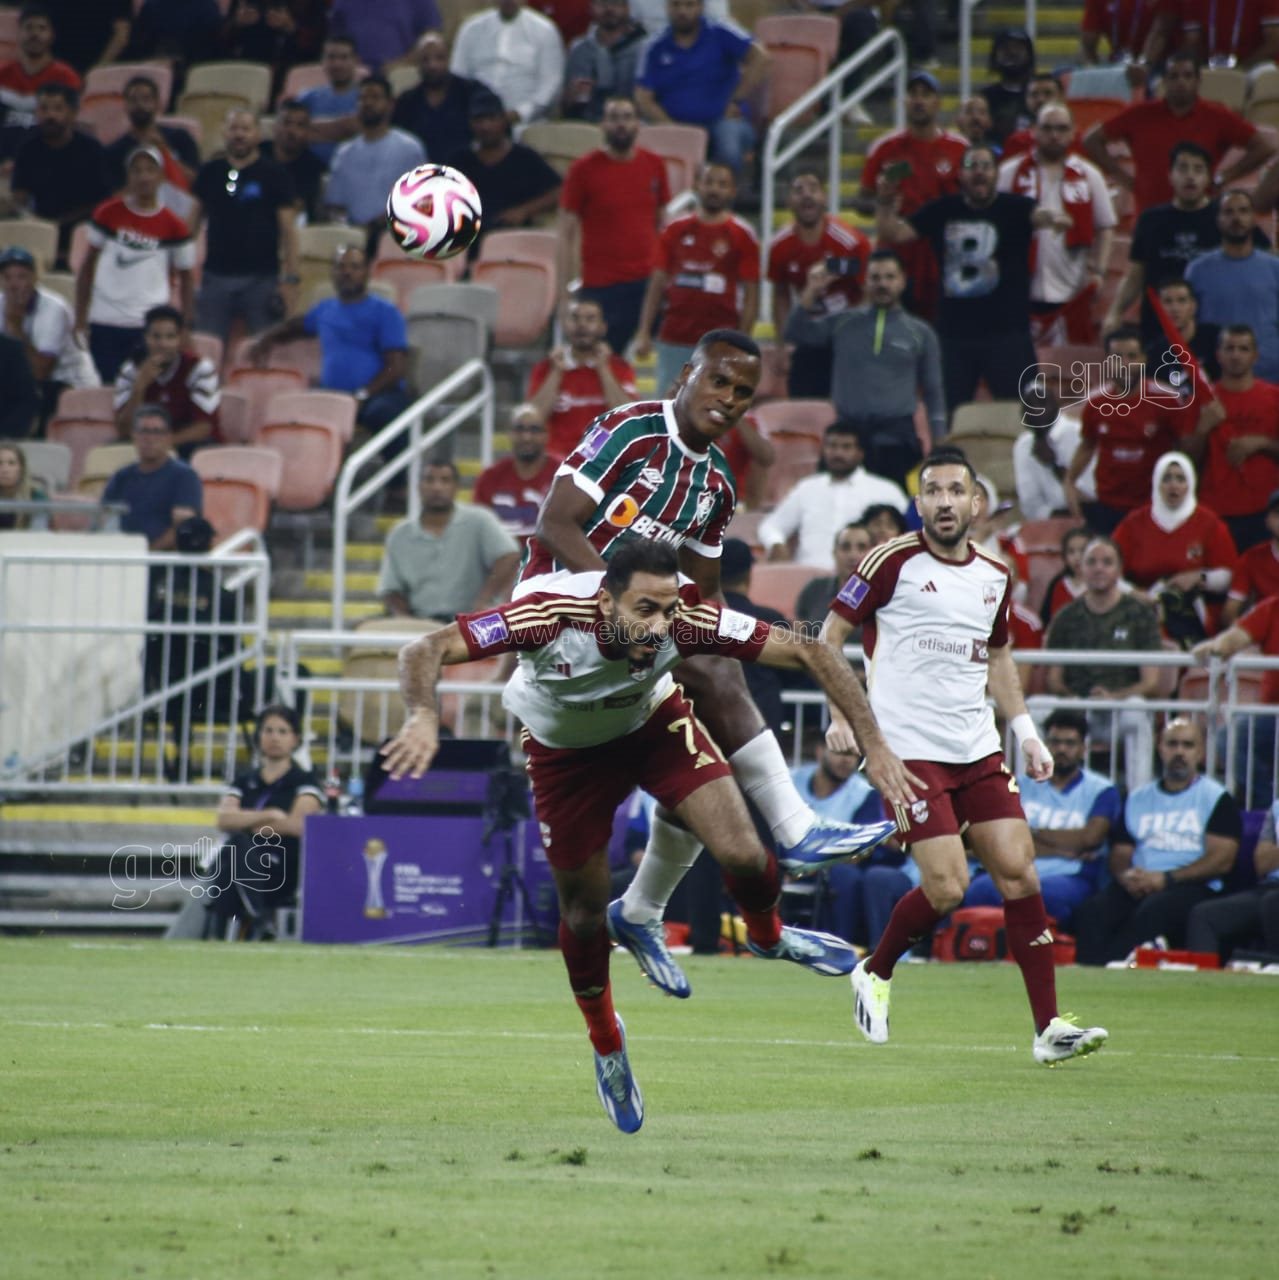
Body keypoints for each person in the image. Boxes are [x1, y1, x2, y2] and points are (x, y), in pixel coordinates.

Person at [381, 537, 901, 1131]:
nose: (658, 626)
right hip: (564, 757)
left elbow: (809, 648)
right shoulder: (548, 616)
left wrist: (876, 744)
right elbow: (425, 648)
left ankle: (769, 936)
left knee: (745, 855)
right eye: (644, 610)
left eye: (668, 609)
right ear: (606, 602)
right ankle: (607, 1042)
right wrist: (423, 715)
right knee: (583, 916)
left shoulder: (687, 621)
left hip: (651, 726)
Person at [527, 331, 902, 998]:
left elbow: (703, 596)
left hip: (635, 630)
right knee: (704, 663)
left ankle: (644, 910)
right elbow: (555, 525)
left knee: (713, 676)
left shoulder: (717, 484)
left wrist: (718, 634)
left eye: (742, 392)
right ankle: (792, 826)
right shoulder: (630, 431)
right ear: (684, 378)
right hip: (561, 619)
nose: (727, 399)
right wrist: (625, 606)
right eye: (718, 381)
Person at [821, 449, 1109, 1064]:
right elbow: (829, 637)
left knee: (1019, 872)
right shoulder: (889, 561)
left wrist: (1026, 732)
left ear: (977, 503)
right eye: (933, 491)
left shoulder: (994, 575)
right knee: (948, 886)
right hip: (907, 753)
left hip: (977, 748)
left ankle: (1048, 1028)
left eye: (956, 490)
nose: (945, 501)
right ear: (919, 503)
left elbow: (999, 657)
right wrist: (841, 715)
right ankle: (874, 969)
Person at [875, 143, 1063, 417]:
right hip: (954, 334)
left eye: (986, 166)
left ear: (996, 174)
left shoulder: (1017, 207)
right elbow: (895, 233)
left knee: (1024, 413)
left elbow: (1040, 216)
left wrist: (1054, 219)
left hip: (1007, 332)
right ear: (960, 175)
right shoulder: (942, 209)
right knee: (946, 414)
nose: (979, 172)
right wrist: (884, 201)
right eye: (971, 166)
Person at [1074, 718, 1239, 965]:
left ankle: (1114, 969)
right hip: (1140, 881)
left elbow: (1221, 860)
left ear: (1200, 752)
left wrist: (1167, 879)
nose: (1179, 752)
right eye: (1172, 744)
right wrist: (1127, 877)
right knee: (1093, 911)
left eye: (1188, 745)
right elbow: (1120, 852)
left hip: (1191, 884)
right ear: (1160, 748)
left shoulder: (1217, 798)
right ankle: (1087, 974)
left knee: (1154, 910)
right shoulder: (1138, 797)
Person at [784, 249, 943, 486]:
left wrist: (939, 442)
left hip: (898, 440)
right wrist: (812, 289)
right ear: (865, 281)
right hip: (847, 438)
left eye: (890, 277)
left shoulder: (921, 333)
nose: (882, 284)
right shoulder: (843, 323)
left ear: (902, 281)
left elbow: (933, 391)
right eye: (875, 277)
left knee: (897, 506)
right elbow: (795, 333)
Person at [962, 708, 1119, 932]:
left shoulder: (1102, 790)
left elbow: (1089, 838)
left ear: (1083, 749)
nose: (1061, 749)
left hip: (1069, 875)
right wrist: (1061, 846)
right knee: (979, 890)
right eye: (1055, 742)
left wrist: (1026, 834)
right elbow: (993, 837)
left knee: (1045, 897)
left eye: (1070, 743)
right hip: (1013, 869)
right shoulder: (1017, 784)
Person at [1082, 52, 1274, 216]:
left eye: (1187, 76)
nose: (1181, 82)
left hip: (1201, 215)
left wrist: (1225, 177)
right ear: (1164, 81)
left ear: (1198, 81)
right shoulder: (1139, 114)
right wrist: (1122, 177)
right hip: (1150, 214)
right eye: (1173, 76)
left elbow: (1264, 148)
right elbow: (1091, 141)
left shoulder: (1217, 116)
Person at [249, 245, 410, 435]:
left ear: (367, 272)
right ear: (332, 273)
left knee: (382, 413)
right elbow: (295, 327)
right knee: (294, 409)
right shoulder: (325, 309)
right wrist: (266, 339)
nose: (347, 272)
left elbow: (396, 368)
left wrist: (362, 395)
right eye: (341, 267)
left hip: (376, 396)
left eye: (355, 267)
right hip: (332, 395)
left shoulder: (386, 312)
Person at [1045, 536, 1162, 788]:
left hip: (1120, 710)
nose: (1099, 568)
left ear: (1119, 570)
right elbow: (1054, 679)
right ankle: (1031, 793)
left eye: (1107, 562)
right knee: (1035, 708)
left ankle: (1139, 796)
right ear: (1081, 568)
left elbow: (1151, 682)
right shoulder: (1066, 616)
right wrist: (1076, 699)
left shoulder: (1139, 614)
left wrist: (1113, 698)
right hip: (1076, 708)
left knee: (1137, 710)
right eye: (1092, 562)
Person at [557, 94, 668, 356]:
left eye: (627, 117)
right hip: (600, 287)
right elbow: (565, 235)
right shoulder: (583, 170)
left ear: (638, 124)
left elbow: (662, 226)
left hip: (646, 285)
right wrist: (563, 297)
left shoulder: (654, 165)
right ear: (603, 125)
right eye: (614, 118)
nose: (621, 124)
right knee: (602, 362)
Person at [634, 161, 759, 394]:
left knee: (714, 402)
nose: (714, 189)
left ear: (733, 191)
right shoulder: (674, 229)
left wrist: (742, 341)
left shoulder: (743, 234)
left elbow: (752, 294)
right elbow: (657, 284)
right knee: (668, 404)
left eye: (722, 184)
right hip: (674, 336)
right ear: (696, 186)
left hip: (720, 342)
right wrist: (644, 331)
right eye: (709, 182)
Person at [997, 103, 1117, 345]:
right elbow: (995, 221)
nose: (1054, 135)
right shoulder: (1010, 172)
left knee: (1069, 363)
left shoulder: (1089, 174)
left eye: (1062, 129)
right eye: (1047, 128)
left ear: (1073, 132)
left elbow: (1105, 226)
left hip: (1072, 290)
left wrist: (1098, 270)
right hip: (1020, 288)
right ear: (1034, 131)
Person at [75, 146, 196, 384]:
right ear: (128, 176)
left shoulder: (175, 225)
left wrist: (186, 325)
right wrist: (80, 318)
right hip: (105, 319)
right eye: (137, 170)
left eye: (150, 170)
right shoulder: (107, 214)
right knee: (107, 388)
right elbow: (87, 266)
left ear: (161, 177)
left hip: (149, 324)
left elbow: (187, 278)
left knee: (146, 387)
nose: (144, 177)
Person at [1103, 142, 1245, 343]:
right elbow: (1136, 273)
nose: (1190, 176)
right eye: (1183, 168)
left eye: (1198, 169)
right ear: (1170, 175)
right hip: (1157, 324)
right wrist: (1115, 311)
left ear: (1208, 177)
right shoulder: (1150, 219)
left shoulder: (1225, 218)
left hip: (1211, 325)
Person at [855, 70, 967, 323]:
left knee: (942, 327)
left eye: (926, 94)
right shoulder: (885, 148)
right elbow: (861, 201)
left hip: (943, 253)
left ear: (938, 102)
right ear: (904, 102)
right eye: (913, 94)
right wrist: (884, 201)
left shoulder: (959, 148)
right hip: (898, 253)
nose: (919, 100)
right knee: (893, 327)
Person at [210, 702, 324, 941]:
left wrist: (246, 824)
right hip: (243, 860)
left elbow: (296, 825)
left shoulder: (304, 781)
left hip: (281, 863)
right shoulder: (244, 781)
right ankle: (258, 917)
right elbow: (224, 819)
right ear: (258, 736)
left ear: (295, 739)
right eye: (268, 730)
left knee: (235, 847)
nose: (274, 737)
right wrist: (269, 814)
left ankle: (227, 929)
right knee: (236, 850)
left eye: (282, 731)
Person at [1063, 325, 1189, 535]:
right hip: (1108, 505)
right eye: (1117, 357)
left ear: (1144, 359)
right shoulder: (1096, 402)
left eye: (1132, 356)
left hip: (1153, 505)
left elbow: (1184, 449)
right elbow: (1088, 444)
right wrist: (1070, 480)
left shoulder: (1167, 399)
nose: (1124, 364)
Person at [189, 110, 299, 344]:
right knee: (206, 346)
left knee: (264, 347)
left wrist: (290, 279)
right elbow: (191, 226)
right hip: (215, 277)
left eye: (245, 129)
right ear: (224, 133)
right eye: (234, 128)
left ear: (257, 133)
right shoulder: (210, 172)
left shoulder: (275, 174)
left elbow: (289, 232)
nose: (239, 135)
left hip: (262, 279)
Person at [633, 0, 769, 178]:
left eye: (689, 5)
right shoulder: (653, 46)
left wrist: (737, 99)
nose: (682, 11)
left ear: (701, 7)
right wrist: (671, 128)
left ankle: (726, 193)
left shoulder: (721, 31)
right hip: (673, 122)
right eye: (676, 5)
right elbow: (643, 97)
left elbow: (761, 57)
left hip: (723, 120)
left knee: (729, 146)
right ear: (667, 7)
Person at [1112, 452, 1237, 644]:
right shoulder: (1134, 523)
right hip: (1143, 608)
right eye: (1166, 478)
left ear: (1191, 483)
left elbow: (1229, 575)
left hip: (1192, 613)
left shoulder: (1209, 523)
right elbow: (1109, 569)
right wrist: (1133, 594)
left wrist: (1199, 577)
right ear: (1156, 483)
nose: (1173, 485)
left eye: (1180, 479)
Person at [768, 170, 872, 400]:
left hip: (846, 334)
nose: (807, 195)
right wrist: (781, 345)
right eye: (799, 190)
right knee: (803, 402)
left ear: (824, 198)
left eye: (813, 189)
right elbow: (781, 295)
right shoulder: (780, 245)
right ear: (789, 202)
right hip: (807, 333)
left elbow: (868, 292)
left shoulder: (851, 242)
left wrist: (857, 334)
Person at [379, 458, 521, 622]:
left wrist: (484, 601)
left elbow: (510, 556)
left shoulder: (479, 520)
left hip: (469, 622)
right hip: (421, 623)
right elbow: (390, 590)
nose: (437, 487)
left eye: (445, 480)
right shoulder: (400, 534)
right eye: (429, 480)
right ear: (418, 487)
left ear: (456, 487)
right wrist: (405, 620)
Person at [759, 420, 909, 569]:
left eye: (846, 447)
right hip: (809, 573)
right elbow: (771, 526)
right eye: (832, 446)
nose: (838, 453)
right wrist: (776, 544)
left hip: (862, 575)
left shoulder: (886, 490)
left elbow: (908, 534)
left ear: (860, 453)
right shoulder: (808, 487)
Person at [1183, 324, 1279, 551]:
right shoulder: (1202, 400)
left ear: (1255, 355)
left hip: (1265, 511)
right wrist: (1203, 428)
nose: (1236, 355)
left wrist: (1261, 443)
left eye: (1243, 349)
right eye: (1229, 348)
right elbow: (1185, 460)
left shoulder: (1274, 397)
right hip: (1215, 510)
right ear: (1218, 355)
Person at [1191, 593, 1279, 807]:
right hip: (1272, 716)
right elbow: (1235, 638)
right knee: (1231, 737)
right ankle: (1266, 809)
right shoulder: (1273, 608)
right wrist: (1218, 646)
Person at [7, 84, 110, 265]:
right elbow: (20, 196)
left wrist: (62, 223)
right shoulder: (28, 149)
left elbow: (103, 202)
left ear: (72, 113)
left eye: (57, 109)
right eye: (44, 109)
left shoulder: (91, 149)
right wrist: (23, 213)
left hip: (83, 229)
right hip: (41, 228)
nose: (50, 115)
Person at [323, 74, 427, 251]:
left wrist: (377, 226)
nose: (368, 103)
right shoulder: (344, 153)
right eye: (363, 98)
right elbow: (335, 205)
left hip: (397, 238)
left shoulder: (410, 148)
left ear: (390, 104)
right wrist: (349, 229)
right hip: (352, 242)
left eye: (375, 97)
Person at [1, 243, 99, 428]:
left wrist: (15, 327)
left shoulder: (54, 309)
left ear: (35, 278)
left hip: (70, 383)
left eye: (21, 276)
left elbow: (40, 371)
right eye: (7, 277)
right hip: (31, 384)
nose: (14, 285)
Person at [444, 89, 562, 244]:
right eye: (479, 120)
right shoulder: (460, 160)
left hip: (513, 240)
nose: (486, 126)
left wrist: (525, 211)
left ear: (503, 120)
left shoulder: (524, 158)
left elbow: (560, 190)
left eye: (491, 119)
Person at [1185, 190, 1279, 383]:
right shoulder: (1197, 270)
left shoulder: (1274, 267)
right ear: (1218, 219)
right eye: (1229, 212)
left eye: (1243, 211)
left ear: (1254, 218)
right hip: (1216, 377)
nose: (1236, 218)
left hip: (1271, 376)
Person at [526, 295, 637, 458]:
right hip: (557, 460)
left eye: (590, 319)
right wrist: (556, 373)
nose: (582, 325)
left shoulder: (619, 368)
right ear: (565, 326)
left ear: (603, 327)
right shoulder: (546, 368)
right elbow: (532, 421)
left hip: (602, 459)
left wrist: (603, 369)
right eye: (575, 318)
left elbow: (628, 418)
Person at [113, 305, 221, 459]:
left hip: (187, 446)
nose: (163, 344)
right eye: (156, 337)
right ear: (145, 338)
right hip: (145, 445)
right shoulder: (131, 370)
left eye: (170, 337)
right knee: (111, 452)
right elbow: (124, 431)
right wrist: (139, 388)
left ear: (180, 339)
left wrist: (160, 445)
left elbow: (204, 428)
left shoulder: (200, 368)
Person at [1187, 799, 1279, 963]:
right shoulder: (1277, 807)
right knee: (1205, 915)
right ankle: (1202, 977)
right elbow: (1262, 863)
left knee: (1273, 903)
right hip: (1271, 886)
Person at [451, 0, 565, 130]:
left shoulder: (545, 30)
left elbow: (550, 86)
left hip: (526, 124)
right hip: (476, 121)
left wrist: (519, 114)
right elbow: (457, 78)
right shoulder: (471, 29)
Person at [102, 404, 203, 550]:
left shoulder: (185, 476)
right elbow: (105, 518)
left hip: (163, 560)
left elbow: (183, 527)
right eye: (144, 431)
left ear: (168, 437)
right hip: (122, 555)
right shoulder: (121, 477)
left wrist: (147, 553)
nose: (149, 438)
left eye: (157, 432)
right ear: (134, 436)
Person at [392, 31, 486, 163]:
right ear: (417, 63)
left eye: (439, 58)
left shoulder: (472, 93)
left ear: (449, 59)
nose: (433, 65)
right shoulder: (406, 102)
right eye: (425, 59)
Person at [102, 73, 201, 198]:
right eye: (133, 100)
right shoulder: (114, 151)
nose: (139, 105)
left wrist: (165, 151)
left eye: (146, 99)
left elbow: (196, 182)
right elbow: (114, 197)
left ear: (157, 103)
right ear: (125, 105)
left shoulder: (180, 137)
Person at [472, 404, 563, 537]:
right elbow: (478, 527)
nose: (526, 437)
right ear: (510, 434)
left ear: (546, 435)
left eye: (534, 430)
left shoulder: (563, 474)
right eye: (519, 429)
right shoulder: (490, 477)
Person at [0, 3, 81, 138]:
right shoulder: (3, 74)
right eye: (29, 27)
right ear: (18, 33)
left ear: (52, 35)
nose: (35, 34)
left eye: (42, 28)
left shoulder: (66, 77)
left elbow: (71, 125)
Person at [562, 0, 647, 121]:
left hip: (633, 125)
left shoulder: (645, 49)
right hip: (587, 125)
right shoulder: (579, 51)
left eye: (615, 3)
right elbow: (565, 107)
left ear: (627, 8)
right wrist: (572, 96)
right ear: (591, 8)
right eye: (602, 3)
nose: (609, 9)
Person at [1143, 277, 1221, 395]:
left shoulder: (1216, 340)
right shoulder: (1153, 353)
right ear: (1158, 308)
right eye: (1168, 301)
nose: (1175, 308)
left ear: (1193, 306)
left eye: (1181, 301)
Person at [260, 98, 328, 225]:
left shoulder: (313, 166)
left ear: (308, 131)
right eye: (286, 123)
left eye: (300, 125)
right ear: (275, 126)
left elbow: (297, 206)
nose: (292, 131)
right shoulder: (257, 153)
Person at [297, 34, 361, 165]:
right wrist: (343, 128)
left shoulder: (365, 98)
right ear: (323, 61)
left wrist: (312, 128)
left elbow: (362, 130)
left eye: (344, 58)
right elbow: (295, 132)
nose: (337, 64)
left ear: (356, 60)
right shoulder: (308, 97)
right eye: (331, 57)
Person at [326, 0, 443, 71]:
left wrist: (401, 64)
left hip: (402, 74)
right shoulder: (342, 2)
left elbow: (432, 37)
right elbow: (335, 39)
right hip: (353, 76)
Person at [794, 521, 871, 628]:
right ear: (834, 553)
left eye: (861, 548)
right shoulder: (814, 589)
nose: (853, 555)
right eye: (845, 547)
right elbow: (798, 633)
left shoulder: (883, 597)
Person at [1224, 488, 1279, 623]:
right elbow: (1229, 614)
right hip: (1264, 630)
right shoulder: (1251, 558)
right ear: (1267, 520)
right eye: (1278, 513)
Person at [1080, 0, 1178, 70]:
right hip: (1118, 63)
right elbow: (1087, 43)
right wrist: (1092, 70)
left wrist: (1144, 66)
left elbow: (1162, 32)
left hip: (1159, 64)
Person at [1182, 0, 1279, 67]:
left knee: (1265, 72)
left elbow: (1275, 41)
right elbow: (1192, 42)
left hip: (1252, 64)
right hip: (1208, 64)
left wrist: (1244, 66)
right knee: (1186, 73)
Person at [981, 27, 1034, 145]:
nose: (1012, 52)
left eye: (1018, 48)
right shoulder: (985, 97)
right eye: (1006, 48)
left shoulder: (1038, 95)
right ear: (995, 55)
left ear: (1029, 55)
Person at [1040, 525, 1091, 624]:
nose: (1077, 557)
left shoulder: (1102, 584)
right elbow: (1046, 620)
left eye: (1083, 550)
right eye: (1071, 552)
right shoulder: (1058, 584)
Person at [0, 439, 48, 529]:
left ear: (21, 468)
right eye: (0, 463)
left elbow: (39, 532)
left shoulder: (36, 495)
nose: (5, 470)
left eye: (11, 463)